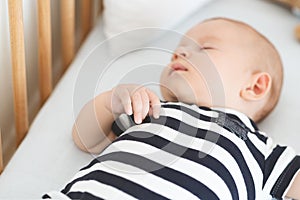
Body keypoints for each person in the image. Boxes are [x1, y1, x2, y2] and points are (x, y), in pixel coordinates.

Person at [43, 18, 300, 199]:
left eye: (204, 47)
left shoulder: (260, 149)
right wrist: (111, 102)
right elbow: (85, 139)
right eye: (176, 52)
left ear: (255, 87)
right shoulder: (154, 110)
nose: (179, 54)